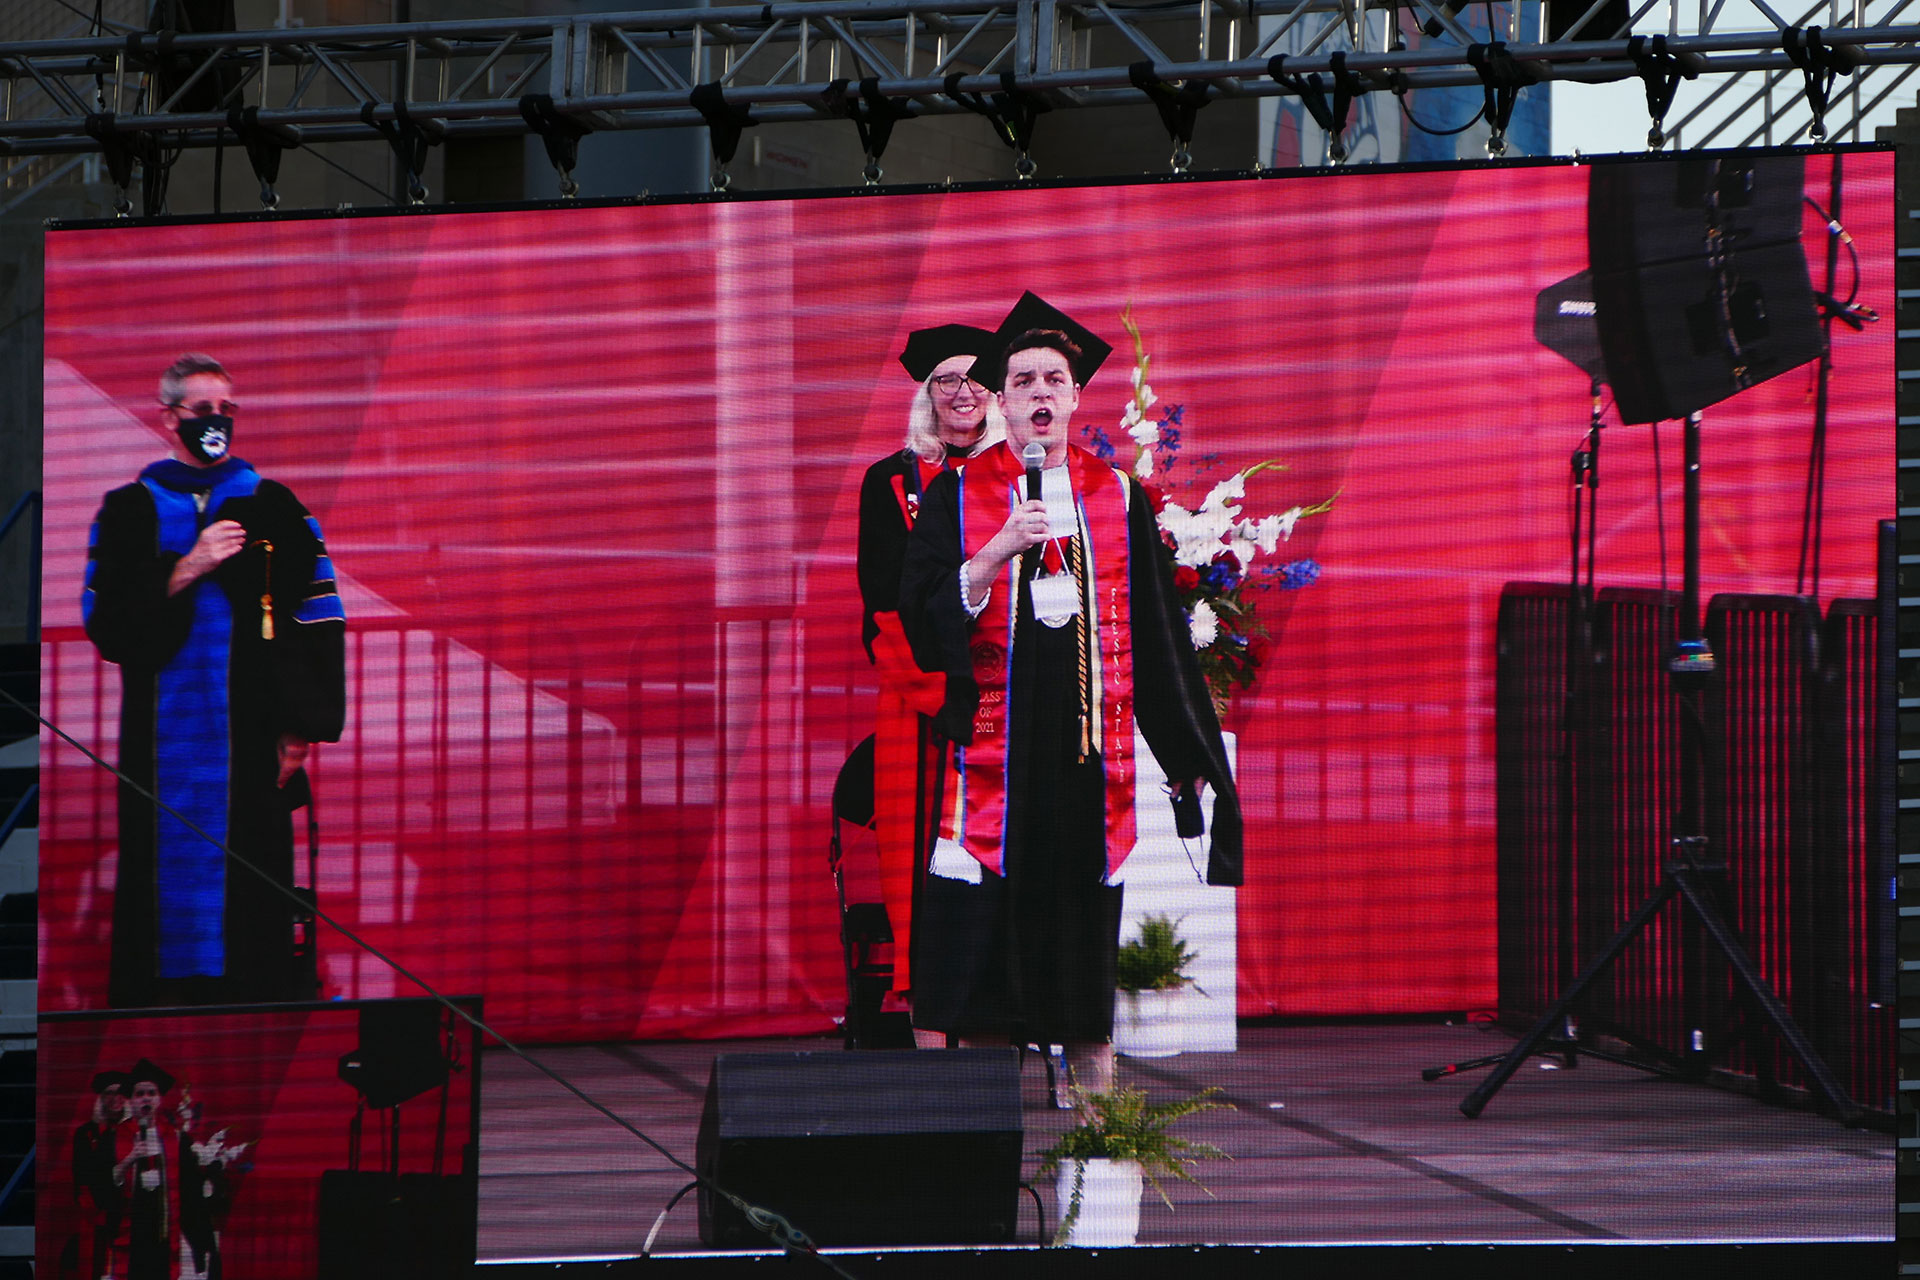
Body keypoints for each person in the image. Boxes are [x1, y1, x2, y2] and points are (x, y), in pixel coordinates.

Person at [899, 294, 1242, 1097]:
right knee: (985, 979)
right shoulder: (956, 496)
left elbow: (1157, 640)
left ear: (1075, 398)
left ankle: (1099, 1154)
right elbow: (918, 616)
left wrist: (1187, 754)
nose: (1041, 393)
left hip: (1087, 774)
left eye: (1055, 378)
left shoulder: (1119, 497)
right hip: (992, 770)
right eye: (1023, 381)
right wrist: (989, 557)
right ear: (1003, 401)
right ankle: (986, 1145)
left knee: (1083, 992)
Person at [84, 353, 347, 1008]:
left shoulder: (274, 505)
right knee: (161, 875)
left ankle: (251, 1013)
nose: (216, 422)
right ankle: (161, 1017)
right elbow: (104, 619)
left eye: (226, 410)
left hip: (252, 734)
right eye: (202, 410)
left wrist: (299, 730)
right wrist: (187, 565)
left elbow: (313, 617)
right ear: (169, 417)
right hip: (162, 735)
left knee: (253, 878)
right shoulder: (128, 511)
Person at [856, 322, 1006, 1011]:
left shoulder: (1032, 472)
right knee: (918, 846)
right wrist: (937, 692)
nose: (962, 390)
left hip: (1010, 690)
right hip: (918, 695)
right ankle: (928, 1010)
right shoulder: (891, 481)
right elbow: (882, 603)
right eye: (945, 379)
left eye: (974, 377)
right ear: (927, 395)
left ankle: (1015, 1004)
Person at [113, 1060, 179, 1280]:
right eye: (139, 1093)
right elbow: (108, 1182)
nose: (145, 1098)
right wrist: (131, 1157)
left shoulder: (172, 1136)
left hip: (163, 1229)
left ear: (159, 1099)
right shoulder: (116, 1136)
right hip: (130, 1229)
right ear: (131, 1100)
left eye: (151, 1093)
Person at [71, 1069, 129, 1280]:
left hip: (130, 1214)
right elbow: (81, 1179)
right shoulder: (86, 1134)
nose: (116, 1098)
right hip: (99, 1216)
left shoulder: (136, 1132)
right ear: (101, 1098)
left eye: (121, 1092)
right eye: (109, 1093)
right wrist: (96, 1214)